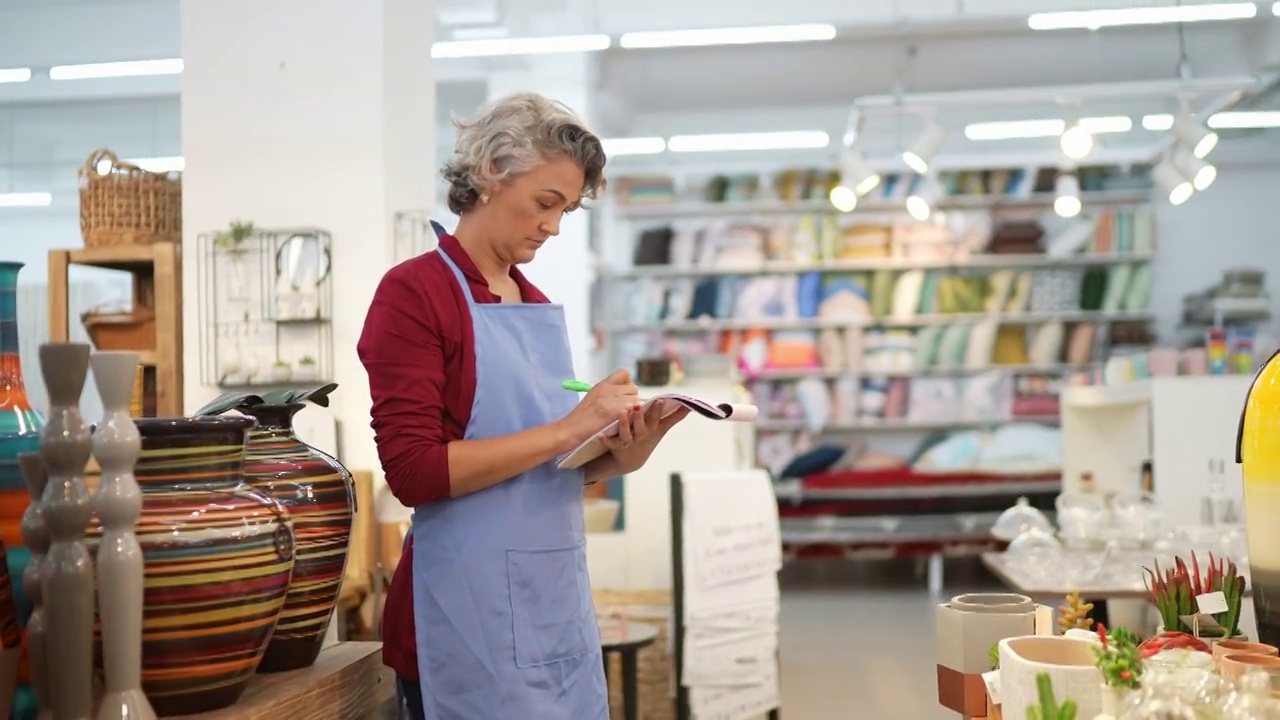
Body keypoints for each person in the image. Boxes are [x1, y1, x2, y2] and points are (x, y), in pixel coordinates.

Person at [358, 92, 690, 720]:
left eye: (564, 210)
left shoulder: (534, 301)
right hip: (461, 617)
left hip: (552, 608)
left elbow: (546, 466)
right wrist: (570, 426)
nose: (553, 226)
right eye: (545, 203)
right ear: (488, 173)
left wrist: (621, 454)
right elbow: (413, 472)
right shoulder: (415, 293)